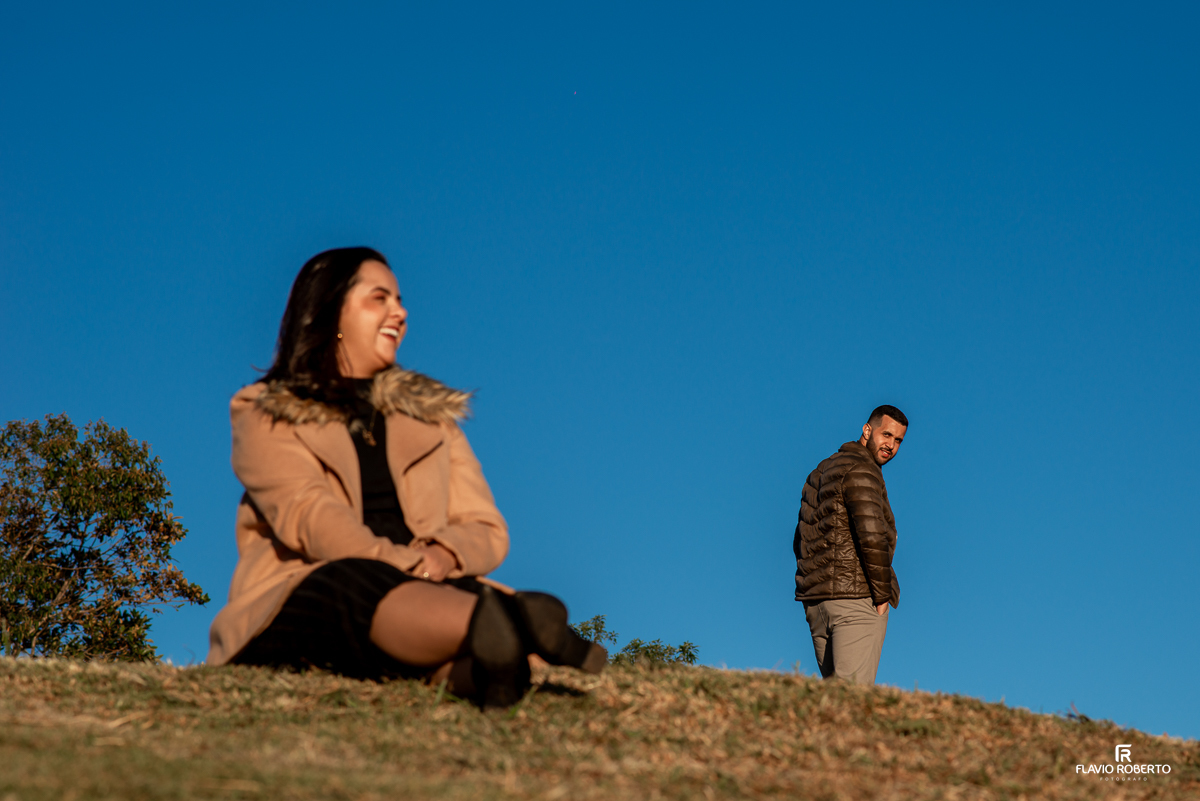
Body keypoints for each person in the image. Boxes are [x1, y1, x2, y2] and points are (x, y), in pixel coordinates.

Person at [207, 247, 605, 708]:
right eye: (380, 298)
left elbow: (486, 528)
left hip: (430, 588)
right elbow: (309, 515)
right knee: (348, 584)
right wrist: (401, 565)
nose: (400, 312)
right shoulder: (265, 409)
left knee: (452, 613)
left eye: (399, 299)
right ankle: (511, 625)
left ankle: (493, 661)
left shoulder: (434, 421)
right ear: (330, 310)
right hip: (314, 589)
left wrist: (441, 555)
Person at [792, 405, 908, 685]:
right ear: (867, 430)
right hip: (855, 600)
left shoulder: (820, 472)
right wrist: (881, 596)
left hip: (817, 603)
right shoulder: (863, 469)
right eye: (886, 435)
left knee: (834, 703)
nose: (891, 446)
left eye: (898, 441)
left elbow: (801, 538)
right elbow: (872, 535)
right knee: (851, 702)